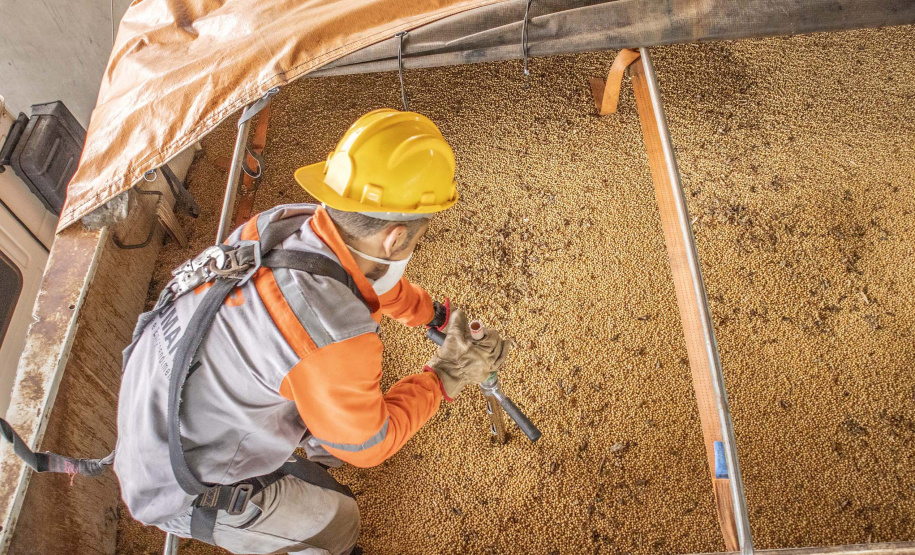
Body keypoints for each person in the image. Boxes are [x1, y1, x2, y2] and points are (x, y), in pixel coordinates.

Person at [114, 109, 511, 554]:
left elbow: (370, 280)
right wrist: (446, 375)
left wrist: (434, 316)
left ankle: (316, 445)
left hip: (155, 395)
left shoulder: (284, 224)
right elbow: (372, 443)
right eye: (416, 239)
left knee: (321, 398)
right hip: (174, 476)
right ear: (395, 239)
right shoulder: (332, 338)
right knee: (340, 520)